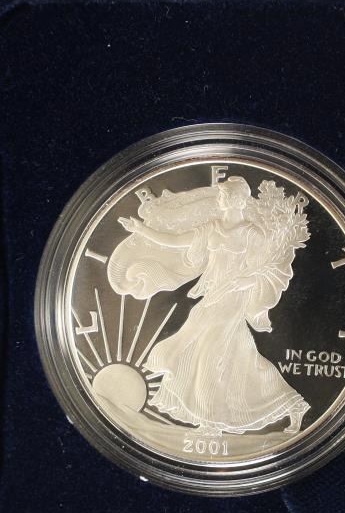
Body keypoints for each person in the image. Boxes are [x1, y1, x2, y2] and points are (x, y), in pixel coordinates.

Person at [115, 176, 309, 436]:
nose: (221, 198)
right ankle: (292, 405)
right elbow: (176, 240)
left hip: (234, 298)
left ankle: (210, 421)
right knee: (240, 357)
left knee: (210, 351)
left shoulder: (252, 233)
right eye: (222, 194)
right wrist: (140, 230)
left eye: (226, 195)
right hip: (214, 295)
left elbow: (269, 268)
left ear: (239, 199)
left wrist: (246, 280)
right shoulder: (212, 228)